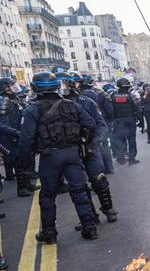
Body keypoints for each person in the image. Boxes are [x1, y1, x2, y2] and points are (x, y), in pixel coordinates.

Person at [17, 72, 99, 242]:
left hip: (50, 156)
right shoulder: (72, 105)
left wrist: (24, 167)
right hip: (73, 154)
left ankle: (49, 233)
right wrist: (81, 140)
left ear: (34, 88)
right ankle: (90, 228)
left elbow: (26, 140)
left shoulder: (32, 110)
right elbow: (90, 124)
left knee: (47, 195)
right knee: (79, 192)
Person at [58, 72, 118, 223]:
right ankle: (89, 217)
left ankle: (108, 208)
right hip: (69, 150)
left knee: (99, 179)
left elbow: (101, 125)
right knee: (79, 187)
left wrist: (94, 143)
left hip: (88, 147)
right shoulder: (53, 106)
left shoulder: (86, 102)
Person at [0, 77, 37, 196]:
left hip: (18, 133)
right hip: (11, 137)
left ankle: (27, 184)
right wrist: (15, 133)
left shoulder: (13, 98)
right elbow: (1, 124)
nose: (15, 86)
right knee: (18, 163)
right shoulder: (3, 100)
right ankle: (21, 188)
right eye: (12, 84)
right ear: (5, 87)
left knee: (24, 161)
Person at [80, 74, 115, 173]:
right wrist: (109, 121)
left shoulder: (77, 97)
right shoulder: (101, 94)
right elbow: (109, 110)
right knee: (104, 144)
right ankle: (108, 168)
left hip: (85, 128)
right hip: (101, 124)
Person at [109, 78, 141, 165]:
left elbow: (110, 110)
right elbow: (137, 109)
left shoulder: (113, 96)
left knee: (120, 139)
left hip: (118, 121)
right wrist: (140, 120)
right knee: (131, 140)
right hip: (130, 120)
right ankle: (131, 159)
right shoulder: (131, 96)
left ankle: (121, 158)